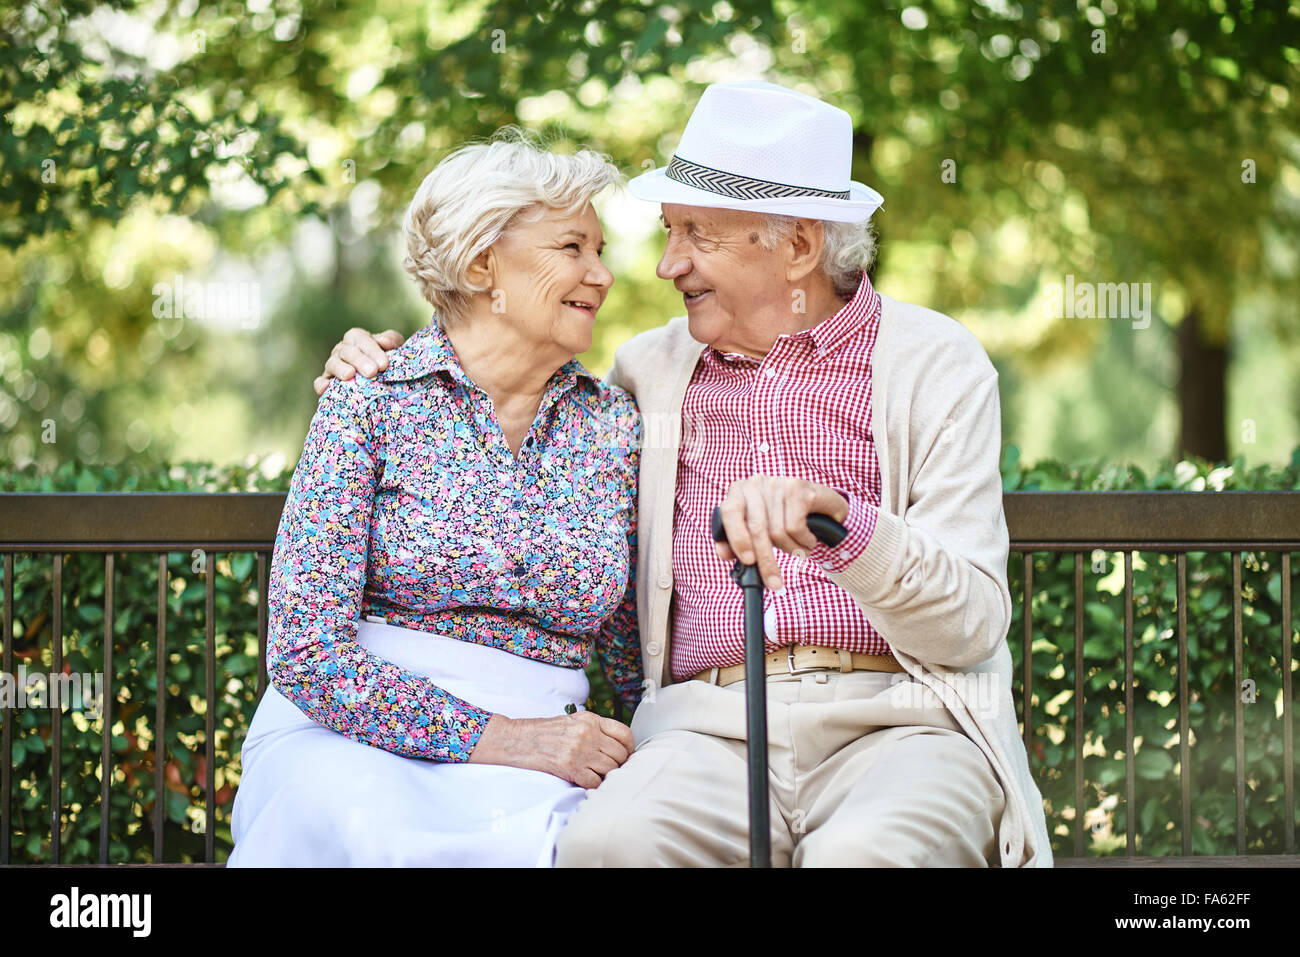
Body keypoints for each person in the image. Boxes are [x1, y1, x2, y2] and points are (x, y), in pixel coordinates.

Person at [318, 81, 1055, 867]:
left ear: (799, 245)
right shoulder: (646, 374)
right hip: (708, 728)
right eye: (672, 231)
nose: (668, 264)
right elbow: (504, 380)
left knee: (864, 856)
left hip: (904, 723)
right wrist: (380, 365)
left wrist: (841, 523)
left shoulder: (935, 364)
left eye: (697, 234)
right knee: (607, 844)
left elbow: (971, 622)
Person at [229, 128, 641, 867]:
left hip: (550, 752)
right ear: (484, 264)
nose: (602, 274)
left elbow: (632, 646)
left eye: (600, 250)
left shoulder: (611, 422)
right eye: (573, 248)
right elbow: (305, 652)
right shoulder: (369, 400)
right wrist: (508, 740)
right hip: (346, 737)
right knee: (368, 825)